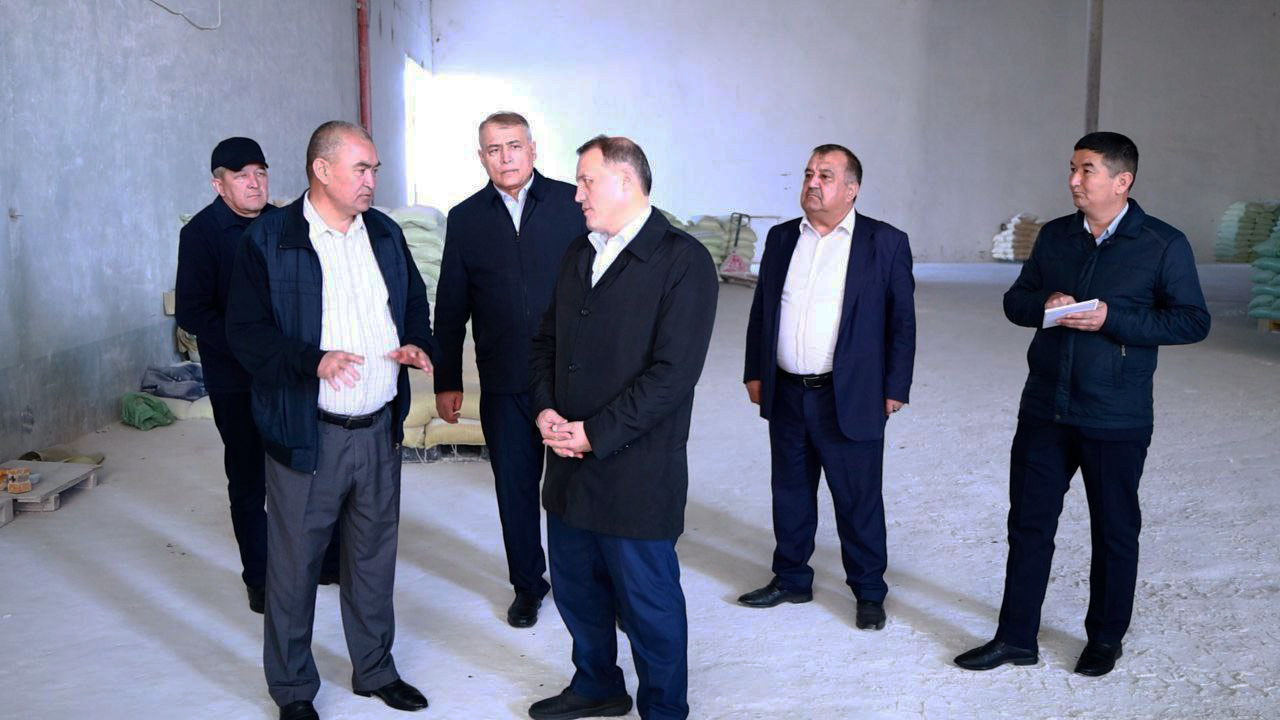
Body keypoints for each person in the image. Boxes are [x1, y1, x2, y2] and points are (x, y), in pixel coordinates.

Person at [954, 131, 1210, 677]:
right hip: (1045, 407)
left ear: (1122, 180)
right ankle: (1015, 637)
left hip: (1115, 414)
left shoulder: (1162, 244)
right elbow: (1015, 301)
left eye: (1086, 170)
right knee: (1028, 525)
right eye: (1072, 168)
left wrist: (1112, 318)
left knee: (1114, 531)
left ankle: (1105, 639)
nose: (1073, 180)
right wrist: (1044, 303)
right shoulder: (1055, 236)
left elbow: (1192, 321)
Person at [226, 121, 434, 720]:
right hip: (309, 432)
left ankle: (375, 669)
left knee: (372, 557)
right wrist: (311, 360)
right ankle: (293, 689)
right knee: (295, 567)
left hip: (378, 429)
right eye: (360, 169)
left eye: (374, 170)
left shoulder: (385, 233)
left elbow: (412, 301)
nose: (372, 181)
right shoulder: (270, 240)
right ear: (321, 170)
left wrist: (417, 342)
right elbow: (246, 334)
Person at [527, 136, 718, 720]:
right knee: (576, 587)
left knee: (648, 602)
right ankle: (597, 685)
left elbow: (672, 375)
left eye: (586, 181)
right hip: (568, 460)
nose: (577, 193)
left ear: (626, 182)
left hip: (636, 468)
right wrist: (545, 409)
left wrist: (595, 432)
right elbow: (546, 343)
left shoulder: (683, 261)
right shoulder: (579, 252)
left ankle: (664, 708)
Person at [739, 144, 916, 631]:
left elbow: (902, 322)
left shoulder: (884, 242)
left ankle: (869, 590)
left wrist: (895, 386)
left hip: (851, 393)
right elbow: (763, 311)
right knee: (790, 492)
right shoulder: (781, 238)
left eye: (826, 176)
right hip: (787, 391)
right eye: (808, 174)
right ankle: (791, 578)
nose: (813, 183)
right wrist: (756, 371)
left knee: (858, 499)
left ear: (852, 189)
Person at [433, 111, 586, 628]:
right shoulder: (466, 218)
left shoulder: (571, 204)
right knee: (514, 489)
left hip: (569, 377)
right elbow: (451, 304)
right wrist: (447, 379)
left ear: (533, 149)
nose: (506, 157)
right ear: (481, 158)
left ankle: (586, 584)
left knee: (578, 489)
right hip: (503, 380)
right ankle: (528, 585)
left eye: (514, 146)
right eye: (494, 149)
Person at [175, 137, 273, 614]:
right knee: (249, 475)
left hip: (288, 372)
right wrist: (247, 343)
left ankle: (326, 560)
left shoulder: (283, 223)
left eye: (260, 172)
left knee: (307, 470)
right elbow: (193, 311)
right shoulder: (201, 233)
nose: (254, 183)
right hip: (235, 378)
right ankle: (260, 577)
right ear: (219, 184)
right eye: (241, 175)